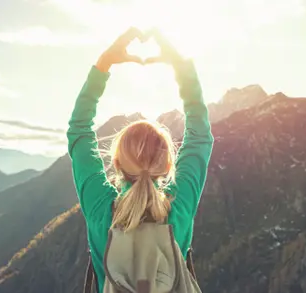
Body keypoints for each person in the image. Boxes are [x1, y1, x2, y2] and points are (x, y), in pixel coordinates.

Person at [67, 27, 214, 293]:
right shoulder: (178, 209)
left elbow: (79, 130)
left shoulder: (101, 211)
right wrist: (182, 67)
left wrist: (104, 64)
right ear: (168, 165)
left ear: (118, 165)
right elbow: (200, 136)